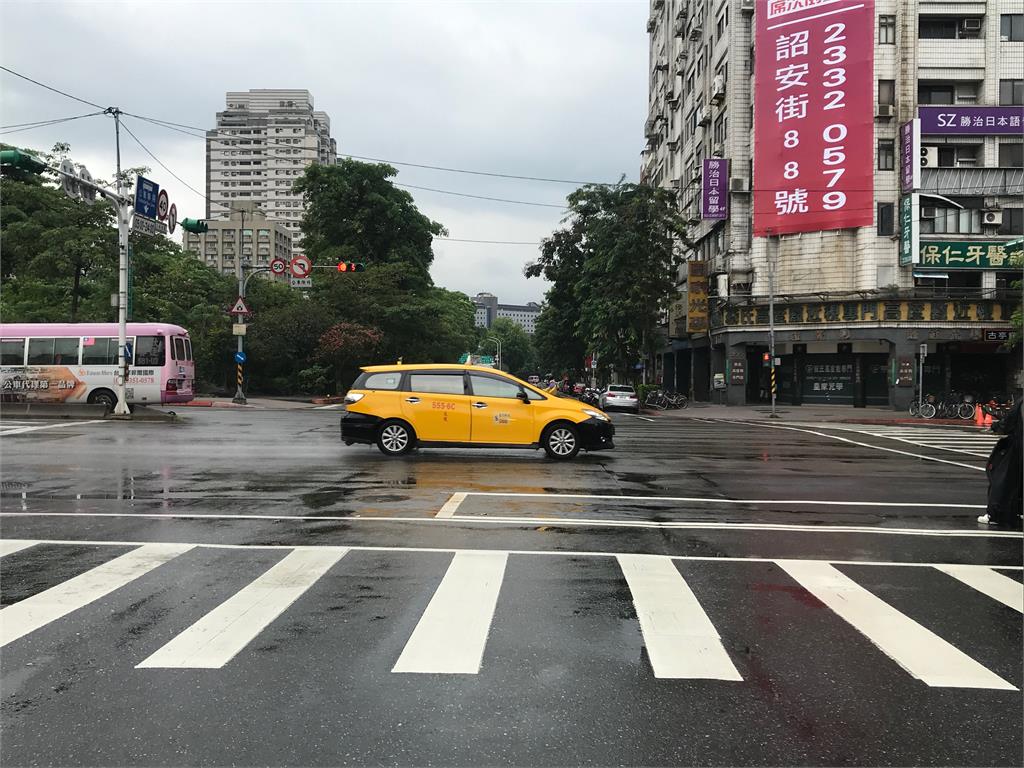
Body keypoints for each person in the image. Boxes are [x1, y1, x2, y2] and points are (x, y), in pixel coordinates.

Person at [978, 398, 1022, 527]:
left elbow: (1008, 423)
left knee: (1002, 478)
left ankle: (995, 513)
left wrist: (995, 427)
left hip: (1018, 447)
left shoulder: (1021, 404)